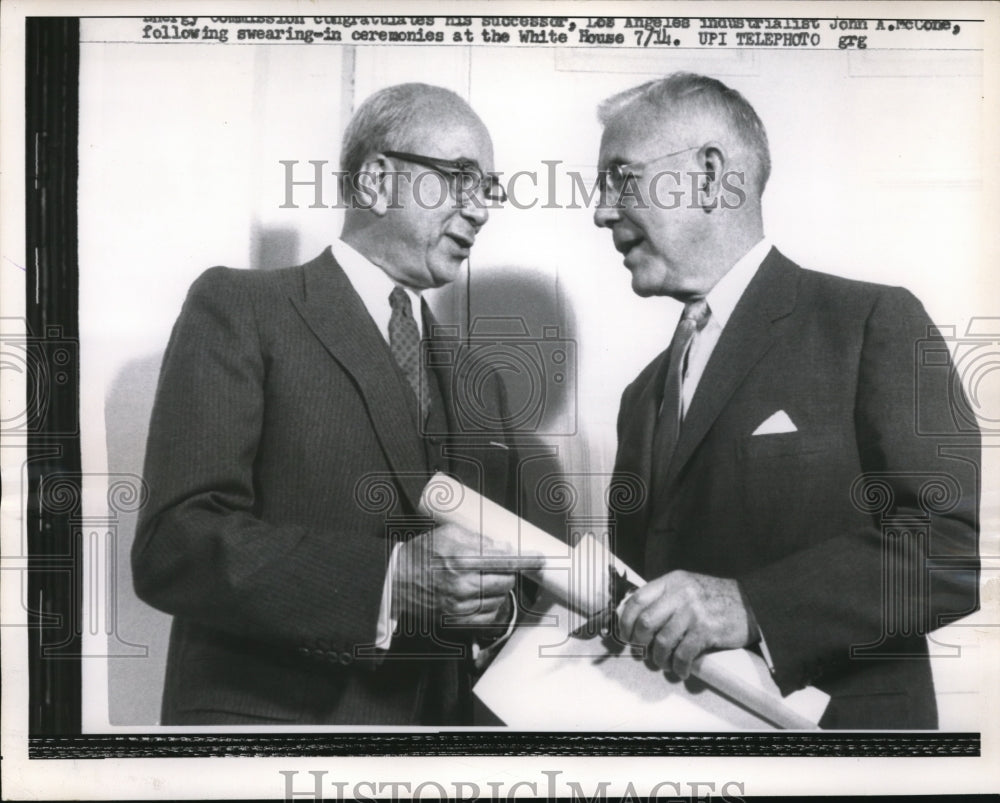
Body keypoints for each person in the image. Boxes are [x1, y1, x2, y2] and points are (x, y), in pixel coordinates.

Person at [132, 83, 541, 725]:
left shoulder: (479, 380)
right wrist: (388, 582)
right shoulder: (241, 307)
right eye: (461, 178)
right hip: (273, 739)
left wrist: (496, 611)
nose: (481, 209)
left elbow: (507, 575)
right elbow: (174, 544)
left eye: (488, 189)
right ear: (377, 180)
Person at [595, 72, 980, 729]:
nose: (602, 210)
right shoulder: (640, 397)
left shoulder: (870, 322)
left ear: (710, 175)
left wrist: (751, 604)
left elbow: (948, 552)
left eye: (620, 178)